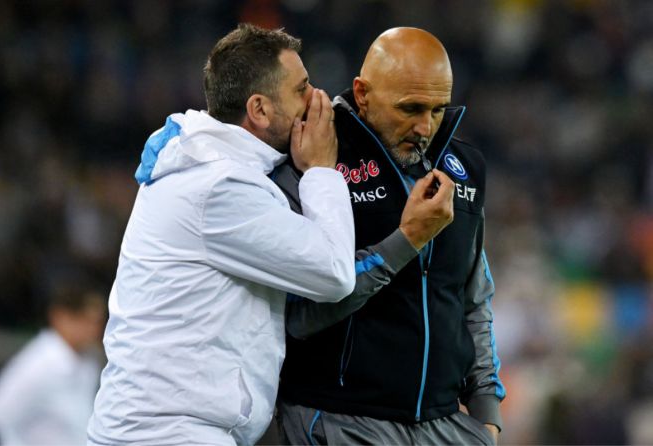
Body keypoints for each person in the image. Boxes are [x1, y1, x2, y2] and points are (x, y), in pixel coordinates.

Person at [86, 24, 356, 446]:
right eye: (302, 88)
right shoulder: (220, 187)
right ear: (260, 109)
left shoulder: (208, 163)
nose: (316, 99)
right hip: (168, 434)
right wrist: (322, 169)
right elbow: (335, 272)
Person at [273, 27, 506, 445]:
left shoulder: (464, 167)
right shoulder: (316, 161)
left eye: (438, 110)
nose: (425, 126)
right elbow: (300, 314)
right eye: (411, 108)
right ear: (362, 93)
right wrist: (408, 239)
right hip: (340, 419)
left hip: (447, 425)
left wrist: (486, 415)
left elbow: (473, 299)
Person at [0, 283, 106, 445]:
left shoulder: (89, 361)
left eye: (97, 322)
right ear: (61, 317)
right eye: (86, 320)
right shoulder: (38, 364)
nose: (94, 329)